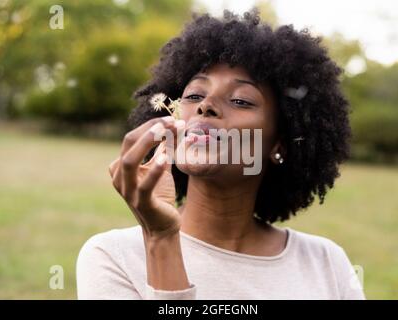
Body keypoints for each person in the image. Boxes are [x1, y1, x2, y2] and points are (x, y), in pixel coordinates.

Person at [76, 9, 365, 300]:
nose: (206, 105)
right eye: (193, 96)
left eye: (240, 100)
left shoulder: (327, 264)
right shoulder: (113, 257)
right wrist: (161, 239)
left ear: (279, 144)